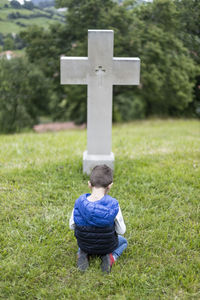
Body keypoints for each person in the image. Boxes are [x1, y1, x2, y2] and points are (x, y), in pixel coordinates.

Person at [69, 164, 127, 273]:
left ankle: (82, 253)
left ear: (89, 185)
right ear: (110, 186)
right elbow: (121, 231)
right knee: (123, 241)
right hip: (107, 245)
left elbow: (72, 226)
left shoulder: (79, 202)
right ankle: (110, 257)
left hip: (85, 243)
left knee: (84, 243)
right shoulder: (114, 205)